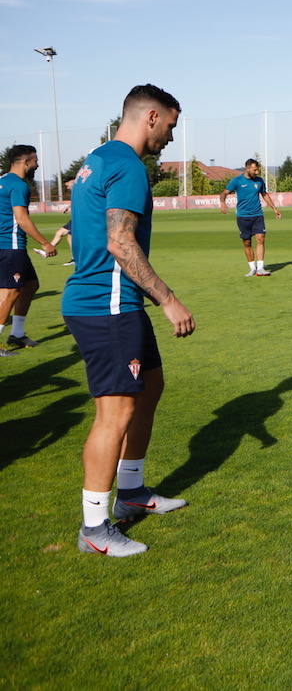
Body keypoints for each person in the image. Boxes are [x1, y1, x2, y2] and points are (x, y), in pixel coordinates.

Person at [63, 85, 196, 557]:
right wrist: (168, 299)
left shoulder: (95, 160)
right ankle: (95, 528)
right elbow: (121, 242)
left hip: (110, 301)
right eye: (173, 127)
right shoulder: (128, 167)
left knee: (151, 386)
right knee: (114, 413)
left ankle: (133, 493)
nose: (172, 138)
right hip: (108, 304)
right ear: (153, 117)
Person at [0, 145, 58, 355]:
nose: (37, 164)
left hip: (6, 245)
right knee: (11, 291)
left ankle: (17, 333)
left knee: (30, 285)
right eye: (35, 160)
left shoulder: (2, 181)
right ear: (26, 162)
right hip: (11, 246)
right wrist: (45, 243)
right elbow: (22, 219)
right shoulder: (19, 185)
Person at [219, 159, 281, 276]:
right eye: (255, 169)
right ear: (247, 168)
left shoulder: (259, 181)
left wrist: (274, 208)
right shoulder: (236, 181)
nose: (257, 172)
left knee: (260, 238)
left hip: (257, 215)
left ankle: (260, 268)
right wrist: (222, 202)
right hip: (242, 217)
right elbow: (224, 193)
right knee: (247, 243)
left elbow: (264, 195)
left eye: (257, 169)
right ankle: (252, 268)